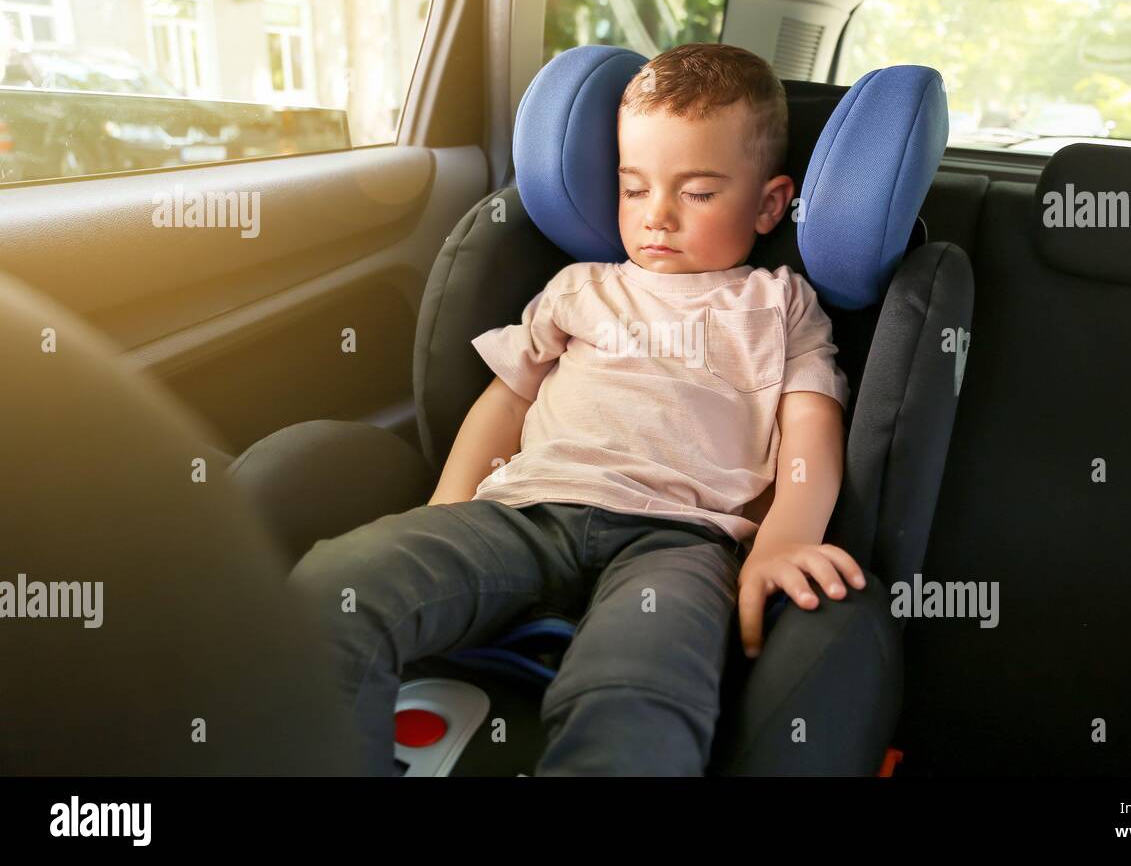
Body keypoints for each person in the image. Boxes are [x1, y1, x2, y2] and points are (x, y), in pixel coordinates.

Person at [288, 42, 866, 776]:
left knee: (641, 686)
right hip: (525, 513)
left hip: (681, 542)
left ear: (769, 204)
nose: (657, 216)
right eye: (634, 188)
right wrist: (448, 502)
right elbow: (508, 398)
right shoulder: (579, 287)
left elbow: (812, 428)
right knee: (338, 585)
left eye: (696, 193)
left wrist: (784, 536)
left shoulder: (780, 302)